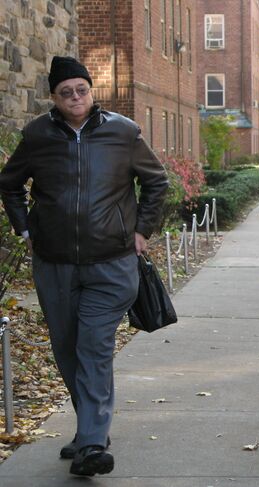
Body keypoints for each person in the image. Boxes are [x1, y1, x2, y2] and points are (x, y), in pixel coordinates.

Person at [0, 56, 168, 477]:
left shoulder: (123, 132)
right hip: (54, 263)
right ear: (53, 98)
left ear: (92, 92)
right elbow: (9, 184)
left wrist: (142, 230)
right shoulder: (38, 135)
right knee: (67, 348)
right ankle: (89, 429)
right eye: (65, 92)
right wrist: (24, 228)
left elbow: (156, 182)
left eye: (82, 89)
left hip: (112, 264)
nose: (75, 97)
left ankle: (92, 443)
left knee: (92, 345)